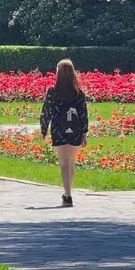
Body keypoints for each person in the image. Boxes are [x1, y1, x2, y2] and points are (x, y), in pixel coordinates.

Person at [40, 59, 89, 207]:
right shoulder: (78, 92)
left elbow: (46, 111)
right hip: (75, 130)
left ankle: (67, 194)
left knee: (63, 163)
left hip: (58, 129)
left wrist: (43, 129)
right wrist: (84, 132)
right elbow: (83, 113)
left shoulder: (52, 91)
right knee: (71, 162)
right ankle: (69, 192)